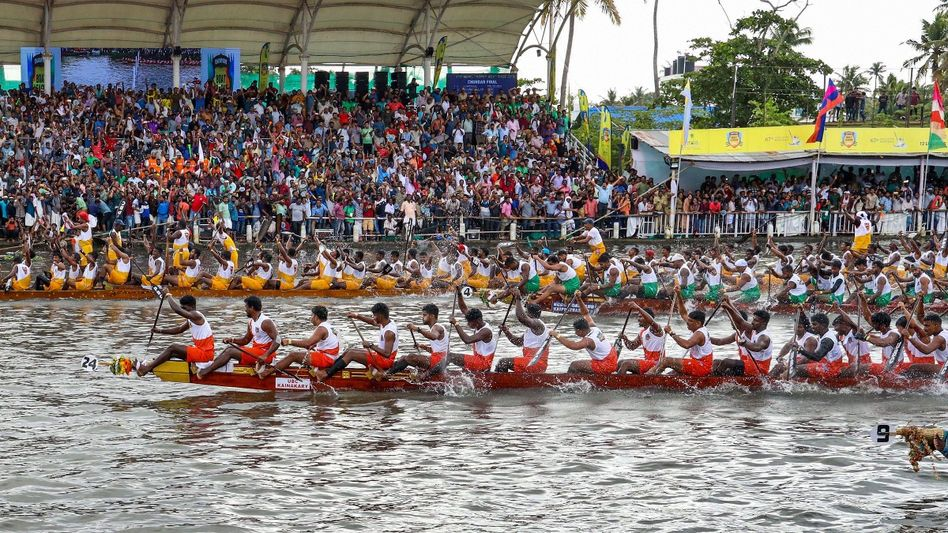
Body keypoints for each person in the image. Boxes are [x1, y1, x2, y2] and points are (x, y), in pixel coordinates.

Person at [196, 296, 279, 378]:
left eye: (246, 307)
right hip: (257, 353)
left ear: (252, 307)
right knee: (228, 348)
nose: (245, 310)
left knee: (230, 352)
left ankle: (205, 372)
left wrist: (265, 355)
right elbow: (246, 340)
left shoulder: (265, 322)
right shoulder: (251, 322)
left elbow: (278, 340)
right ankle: (211, 367)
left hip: (266, 355)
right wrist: (232, 340)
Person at [136, 293, 215, 376]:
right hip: (201, 351)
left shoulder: (197, 316)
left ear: (192, 306)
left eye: (184, 308)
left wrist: (168, 295)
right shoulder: (191, 318)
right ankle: (151, 366)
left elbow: (177, 310)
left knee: (173, 347)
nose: (183, 310)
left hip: (205, 354)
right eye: (182, 308)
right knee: (172, 353)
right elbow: (179, 329)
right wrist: (160, 331)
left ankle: (145, 369)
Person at [317, 302, 399, 380]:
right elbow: (372, 322)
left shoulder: (389, 332)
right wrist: (356, 316)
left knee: (352, 354)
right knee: (349, 351)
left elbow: (387, 354)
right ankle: (329, 369)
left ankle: (326, 374)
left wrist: (371, 345)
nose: (373, 317)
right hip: (380, 356)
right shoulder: (385, 322)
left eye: (374, 315)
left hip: (386, 361)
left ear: (380, 316)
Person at [259, 306, 339, 379]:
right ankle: (315, 373)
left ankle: (267, 373)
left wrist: (289, 341)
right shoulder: (329, 326)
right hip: (331, 357)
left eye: (312, 315)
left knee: (293, 355)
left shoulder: (321, 328)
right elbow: (326, 342)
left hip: (327, 358)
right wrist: (314, 345)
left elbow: (308, 343)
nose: (310, 318)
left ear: (316, 317)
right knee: (303, 355)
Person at [645, 290, 713, 377]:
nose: (687, 322)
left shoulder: (699, 334)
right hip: (697, 363)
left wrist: (671, 333)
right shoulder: (696, 326)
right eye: (688, 320)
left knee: (666, 361)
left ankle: (647, 377)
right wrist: (679, 295)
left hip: (702, 366)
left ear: (698, 323)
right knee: (671, 374)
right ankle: (654, 377)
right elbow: (683, 313)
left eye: (690, 321)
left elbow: (687, 345)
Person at [432, 287, 497, 373]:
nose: (467, 324)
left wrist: (456, 323)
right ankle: (440, 373)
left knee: (451, 356)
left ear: (476, 321)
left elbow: (467, 340)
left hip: (484, 364)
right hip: (478, 361)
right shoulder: (477, 321)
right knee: (461, 368)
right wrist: (459, 293)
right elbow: (463, 308)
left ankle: (429, 374)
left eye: (469, 322)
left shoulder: (486, 331)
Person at [550, 295, 618, 374]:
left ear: (580, 331)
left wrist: (556, 335)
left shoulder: (588, 340)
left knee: (574, 365)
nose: (575, 333)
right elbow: (585, 313)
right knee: (582, 365)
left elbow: (573, 346)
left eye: (576, 331)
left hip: (606, 364)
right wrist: (579, 299)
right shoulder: (593, 327)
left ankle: (567, 383)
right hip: (612, 357)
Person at [710, 296, 772, 376]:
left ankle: (716, 380)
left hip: (759, 368)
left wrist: (745, 343)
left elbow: (757, 347)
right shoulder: (753, 329)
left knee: (726, 362)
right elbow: (741, 320)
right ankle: (716, 378)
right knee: (716, 362)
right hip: (749, 365)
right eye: (753, 319)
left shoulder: (764, 337)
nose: (752, 322)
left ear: (763, 323)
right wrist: (729, 303)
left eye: (756, 321)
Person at [387, 303, 449, 375]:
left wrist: (417, 329)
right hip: (436, 358)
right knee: (403, 357)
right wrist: (423, 347)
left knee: (411, 357)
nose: (422, 317)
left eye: (424, 315)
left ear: (432, 316)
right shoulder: (434, 328)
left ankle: (387, 375)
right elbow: (437, 349)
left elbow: (433, 337)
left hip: (439, 361)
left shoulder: (437, 327)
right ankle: (390, 371)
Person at [496, 291, 550, 373]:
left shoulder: (538, 324)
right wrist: (506, 331)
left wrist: (518, 299)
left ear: (529, 314)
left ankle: (497, 383)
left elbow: (522, 318)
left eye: (526, 312)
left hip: (536, 363)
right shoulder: (531, 329)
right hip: (529, 362)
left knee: (503, 362)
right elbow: (518, 342)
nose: (524, 313)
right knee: (503, 362)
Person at [616, 300, 666, 374]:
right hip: (647, 363)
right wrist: (625, 338)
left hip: (657, 364)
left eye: (640, 317)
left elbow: (651, 321)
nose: (638, 319)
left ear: (647, 317)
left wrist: (638, 308)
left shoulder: (656, 330)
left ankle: (618, 384)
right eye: (638, 317)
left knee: (626, 364)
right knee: (620, 362)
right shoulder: (642, 333)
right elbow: (632, 347)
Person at [792, 313, 847, 379]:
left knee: (796, 368)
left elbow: (817, 357)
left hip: (833, 368)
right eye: (812, 324)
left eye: (814, 324)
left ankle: (785, 382)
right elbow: (807, 327)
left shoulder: (827, 340)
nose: (812, 327)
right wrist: (802, 313)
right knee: (802, 361)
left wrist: (800, 349)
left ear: (823, 326)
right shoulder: (823, 332)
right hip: (830, 362)